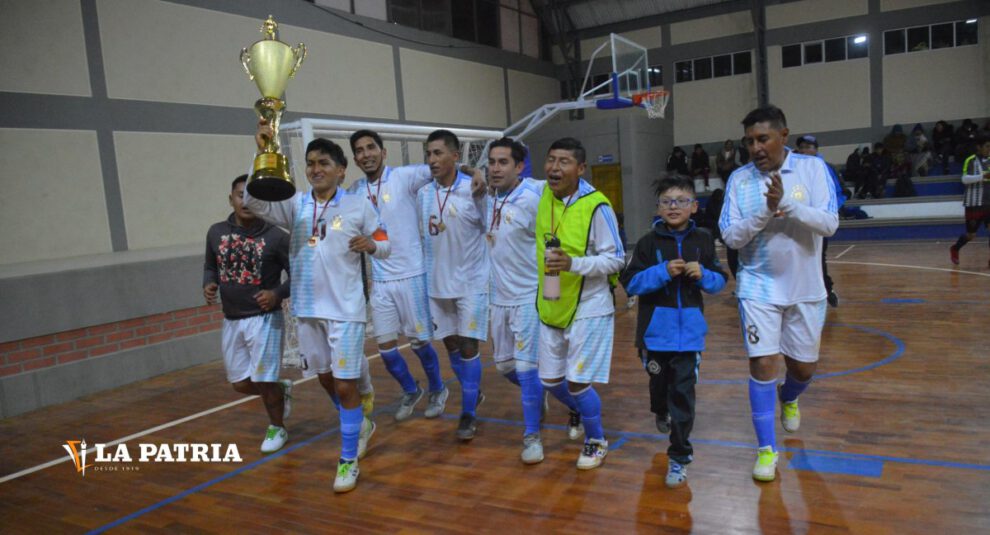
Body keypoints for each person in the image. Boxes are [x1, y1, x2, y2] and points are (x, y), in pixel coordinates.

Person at [244, 135, 390, 493]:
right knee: (325, 379)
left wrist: (372, 245)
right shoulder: (294, 205)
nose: (315, 169)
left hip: (346, 309)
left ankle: (347, 459)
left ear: (341, 171)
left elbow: (385, 242)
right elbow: (251, 200)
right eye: (310, 163)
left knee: (344, 384)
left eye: (324, 163)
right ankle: (361, 425)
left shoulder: (358, 205)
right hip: (308, 308)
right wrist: (263, 152)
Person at [719, 105, 838, 482]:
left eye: (762, 139)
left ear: (783, 136)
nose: (755, 148)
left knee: (803, 369)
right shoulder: (739, 180)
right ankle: (766, 451)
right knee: (762, 364)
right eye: (749, 141)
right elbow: (730, 236)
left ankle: (789, 396)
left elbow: (830, 224)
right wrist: (766, 212)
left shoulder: (812, 169)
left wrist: (787, 204)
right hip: (758, 287)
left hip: (806, 289)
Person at [620, 176, 727, 488]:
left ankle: (679, 456)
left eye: (681, 201)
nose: (674, 206)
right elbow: (631, 283)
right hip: (654, 335)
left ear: (694, 206)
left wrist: (703, 274)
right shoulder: (647, 243)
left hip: (689, 337)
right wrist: (662, 271)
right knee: (659, 388)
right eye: (667, 201)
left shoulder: (703, 240)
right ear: (658, 208)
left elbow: (720, 282)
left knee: (682, 394)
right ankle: (659, 409)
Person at [484, 137, 581, 464]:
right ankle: (574, 403)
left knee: (528, 370)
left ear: (520, 166)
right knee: (505, 367)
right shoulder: (486, 196)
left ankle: (532, 438)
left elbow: (572, 186)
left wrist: (552, 294)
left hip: (530, 298)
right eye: (492, 162)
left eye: (503, 162)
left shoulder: (536, 193)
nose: (496, 168)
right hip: (499, 300)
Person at [346, 129, 451, 422]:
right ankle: (411, 390)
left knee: (419, 343)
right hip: (380, 280)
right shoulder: (354, 191)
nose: (366, 154)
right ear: (355, 159)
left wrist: (472, 173)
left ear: (383, 152)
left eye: (371, 147)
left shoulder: (404, 176)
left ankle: (438, 388)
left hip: (412, 274)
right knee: (386, 350)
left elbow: (442, 167)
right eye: (359, 150)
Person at [536, 137, 625, 470]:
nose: (554, 167)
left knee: (577, 381)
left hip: (590, 304)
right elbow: (508, 182)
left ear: (581, 168)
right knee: (549, 381)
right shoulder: (542, 193)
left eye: (564, 161)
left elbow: (616, 259)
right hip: (552, 299)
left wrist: (574, 263)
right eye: (551, 160)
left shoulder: (597, 206)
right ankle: (578, 407)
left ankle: (596, 440)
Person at [204, 175, 292, 454]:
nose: (246, 201)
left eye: (252, 196)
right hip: (232, 319)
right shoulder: (216, 232)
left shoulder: (277, 236)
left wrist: (277, 293)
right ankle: (279, 390)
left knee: (264, 380)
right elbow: (210, 266)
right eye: (240, 195)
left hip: (265, 319)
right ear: (231, 199)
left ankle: (277, 427)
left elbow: (300, 274)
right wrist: (209, 283)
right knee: (240, 384)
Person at [418, 129, 490, 441]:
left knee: (469, 346)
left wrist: (476, 172)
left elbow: (491, 228)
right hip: (437, 284)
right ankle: (474, 393)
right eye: (429, 154)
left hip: (471, 282)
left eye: (438, 153)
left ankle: (468, 412)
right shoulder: (423, 193)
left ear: (455, 156)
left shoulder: (474, 190)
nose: (432, 159)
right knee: (451, 346)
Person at [795, 135, 845, 307]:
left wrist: (826, 214)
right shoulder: (792, 167)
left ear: (816, 149)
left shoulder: (825, 168)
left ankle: (827, 290)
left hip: (817, 222)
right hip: (797, 221)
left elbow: (838, 193)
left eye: (809, 147)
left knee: (817, 258)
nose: (805, 150)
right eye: (802, 147)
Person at [949, 134, 990, 267]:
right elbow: (964, 179)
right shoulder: (970, 160)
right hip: (974, 203)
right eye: (987, 146)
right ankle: (955, 248)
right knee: (971, 235)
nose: (989, 149)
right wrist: (982, 176)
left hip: (988, 202)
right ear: (979, 147)